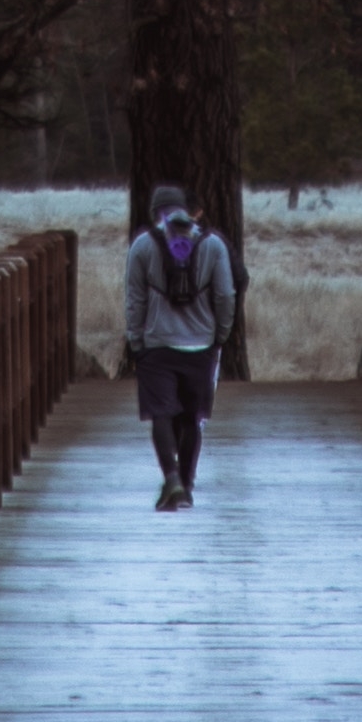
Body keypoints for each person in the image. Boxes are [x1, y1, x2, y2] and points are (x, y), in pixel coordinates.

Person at [123, 185, 236, 509]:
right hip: (201, 344)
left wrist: (136, 339)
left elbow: (135, 298)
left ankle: (171, 479)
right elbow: (225, 295)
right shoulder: (212, 244)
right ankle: (185, 486)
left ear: (156, 212)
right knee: (191, 418)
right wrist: (221, 334)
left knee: (161, 413)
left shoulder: (143, 245)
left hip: (157, 344)